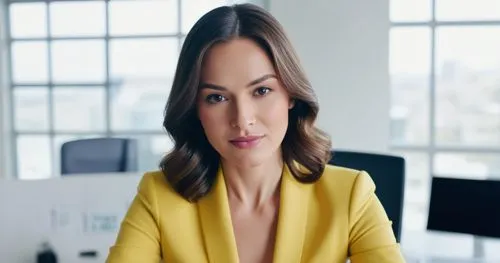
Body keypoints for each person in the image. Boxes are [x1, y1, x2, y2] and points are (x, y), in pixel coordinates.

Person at [106, 3, 405, 263]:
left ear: (290, 94)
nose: (242, 119)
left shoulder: (350, 195)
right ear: (195, 108)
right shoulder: (159, 197)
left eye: (261, 90)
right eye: (216, 97)